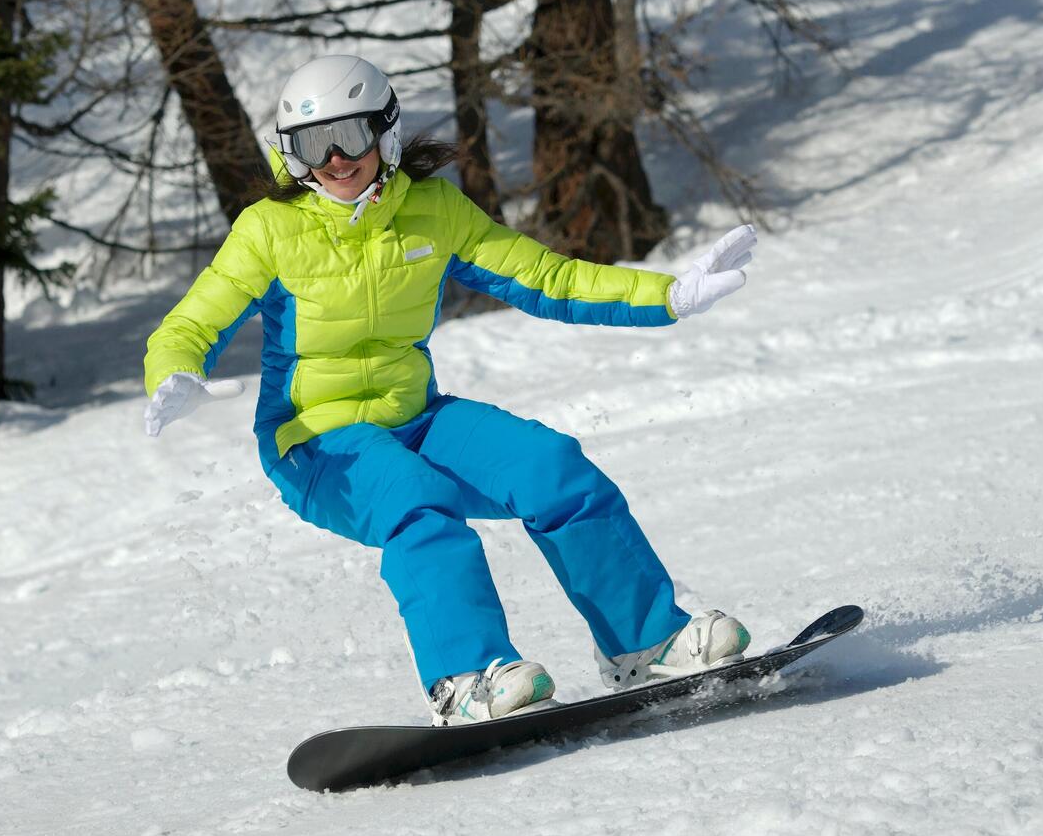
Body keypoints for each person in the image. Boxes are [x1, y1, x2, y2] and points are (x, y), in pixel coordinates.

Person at [143, 54, 758, 725]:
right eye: (314, 146)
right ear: (291, 156)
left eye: (351, 137)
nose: (336, 160)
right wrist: (175, 370)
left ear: (387, 134)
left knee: (552, 469)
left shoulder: (433, 212)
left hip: (414, 418)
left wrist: (667, 295)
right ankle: (465, 679)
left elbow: (545, 278)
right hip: (315, 442)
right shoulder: (270, 230)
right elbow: (194, 318)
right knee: (416, 499)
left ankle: (647, 643)